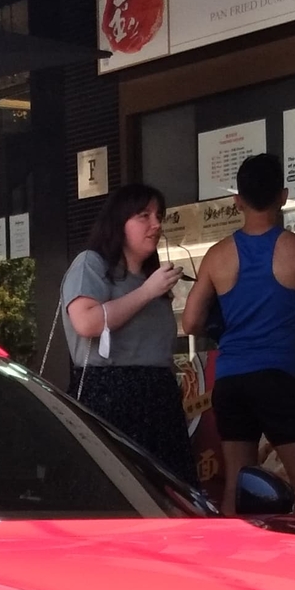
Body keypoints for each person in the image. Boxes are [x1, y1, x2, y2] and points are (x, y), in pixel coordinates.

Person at [179, 152, 295, 513]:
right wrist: (289, 319)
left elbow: (191, 323)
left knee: (237, 480)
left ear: (237, 201)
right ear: (284, 196)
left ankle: (229, 559)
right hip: (278, 377)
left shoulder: (217, 256)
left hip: (231, 381)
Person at [58, 183, 193, 481]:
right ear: (120, 222)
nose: (156, 224)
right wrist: (146, 292)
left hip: (159, 394)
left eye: (159, 215)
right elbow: (86, 323)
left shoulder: (152, 279)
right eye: (144, 215)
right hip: (109, 390)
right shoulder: (91, 264)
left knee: (169, 490)